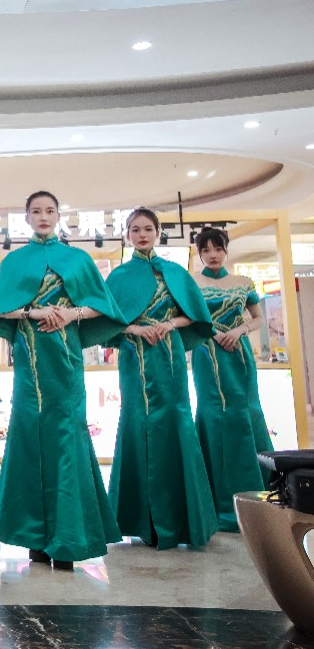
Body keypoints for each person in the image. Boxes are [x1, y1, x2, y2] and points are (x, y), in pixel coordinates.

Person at [0, 190, 127, 570]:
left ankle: (69, 538)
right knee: (29, 438)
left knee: (67, 439)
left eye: (49, 210)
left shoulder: (78, 260)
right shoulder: (14, 261)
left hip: (67, 362)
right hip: (29, 363)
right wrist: (33, 312)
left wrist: (70, 313)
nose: (43, 216)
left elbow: (102, 307)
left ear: (59, 216)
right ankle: (35, 537)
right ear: (26, 217)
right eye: (36, 211)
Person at [105, 208, 218, 549]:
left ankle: (180, 521)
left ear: (158, 232)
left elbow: (195, 316)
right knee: (136, 422)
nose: (142, 235)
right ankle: (141, 521)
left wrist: (169, 324)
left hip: (169, 355)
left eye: (148, 229)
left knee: (175, 422)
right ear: (127, 235)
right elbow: (105, 321)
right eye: (135, 230)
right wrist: (136, 329)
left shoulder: (175, 272)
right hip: (134, 356)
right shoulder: (118, 277)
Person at [190, 227, 272, 531]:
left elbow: (258, 317)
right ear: (199, 253)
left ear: (226, 249)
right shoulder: (190, 282)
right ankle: (215, 501)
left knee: (245, 412)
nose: (213, 255)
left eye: (218, 248)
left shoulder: (243, 282)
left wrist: (239, 330)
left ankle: (259, 495)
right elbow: (188, 318)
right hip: (206, 352)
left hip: (239, 354)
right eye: (206, 250)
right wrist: (212, 333)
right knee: (212, 414)